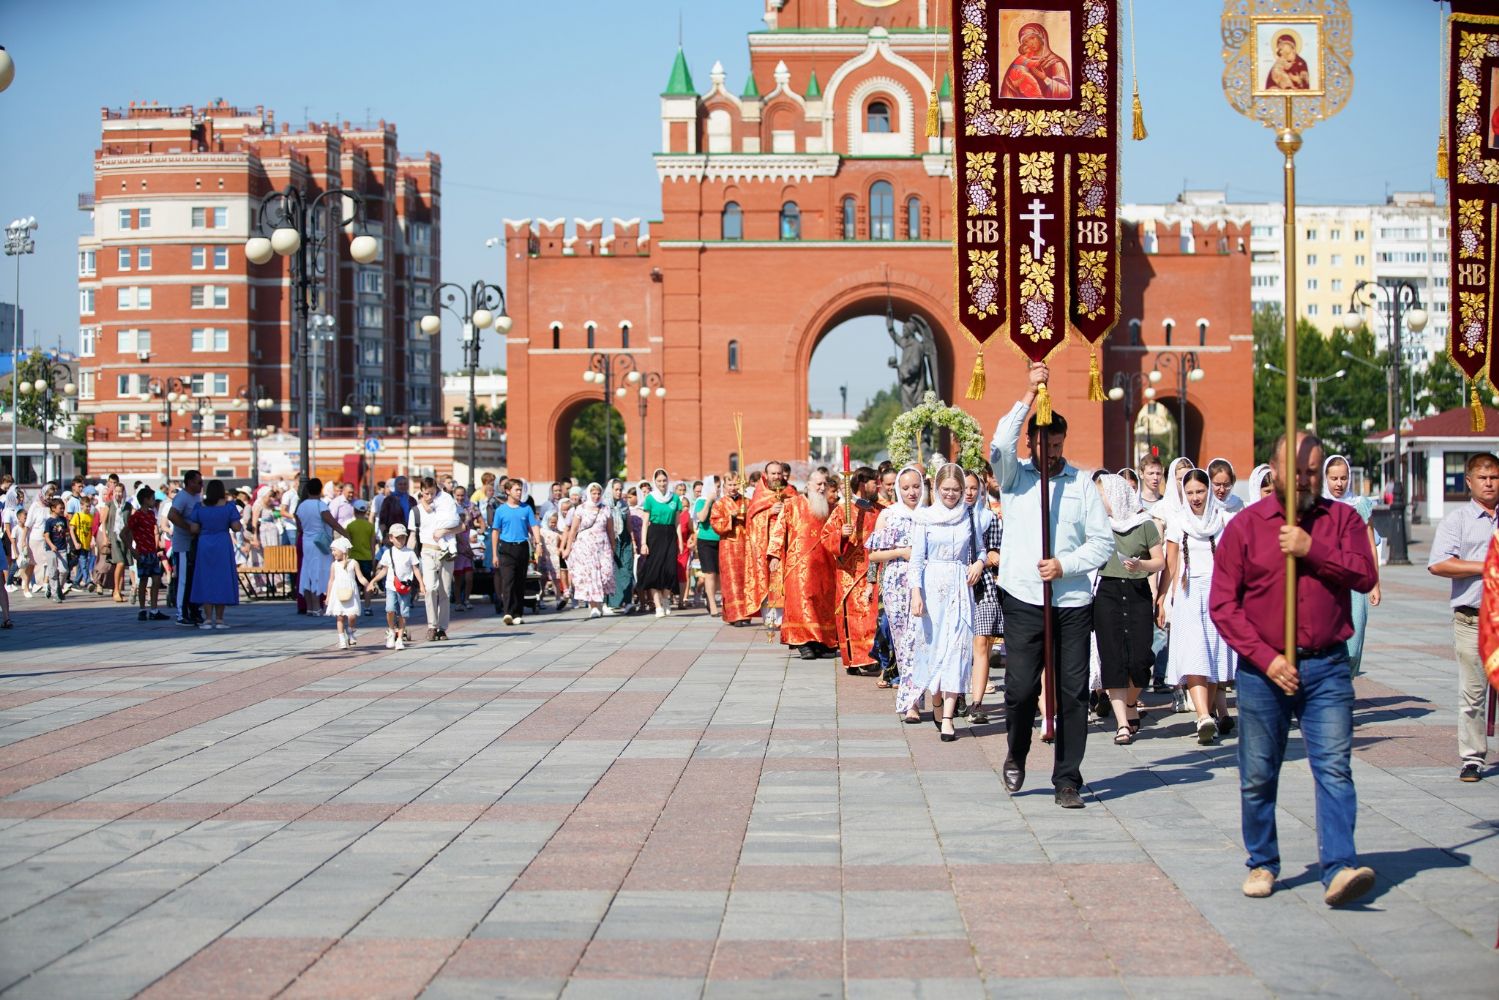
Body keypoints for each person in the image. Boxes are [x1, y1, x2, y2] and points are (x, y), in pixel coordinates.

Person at [1209, 432, 1379, 905]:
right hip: (1263, 672)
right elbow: (1223, 605)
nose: (1304, 480)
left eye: (1312, 471)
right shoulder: (1245, 527)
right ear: (1274, 469)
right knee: (1258, 772)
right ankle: (1262, 861)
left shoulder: (1342, 519)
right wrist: (1266, 658)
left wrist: (1311, 549)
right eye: (1296, 470)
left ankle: (1339, 867)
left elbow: (1364, 574)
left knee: (1334, 769)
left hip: (1327, 667)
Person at [991, 363, 1114, 809]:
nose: (1051, 454)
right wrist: (1029, 393)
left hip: (1071, 601)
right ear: (1031, 443)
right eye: (1044, 446)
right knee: (1021, 688)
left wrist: (1066, 565)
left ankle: (1067, 778)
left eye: (1058, 445)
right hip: (1024, 597)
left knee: (1072, 691)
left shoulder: (1080, 483)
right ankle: (1016, 752)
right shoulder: (1014, 477)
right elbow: (999, 443)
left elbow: (1102, 542)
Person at [1426, 451, 1499, 783]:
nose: (1489, 483)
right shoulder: (1457, 520)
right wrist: (1486, 567)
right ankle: (1472, 758)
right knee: (1473, 693)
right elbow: (1439, 563)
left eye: (1494, 477)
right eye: (1482, 478)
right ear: (1469, 481)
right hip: (1473, 619)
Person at [1159, 468, 1237, 744]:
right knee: (1194, 653)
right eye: (1190, 492)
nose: (1195, 497)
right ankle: (1203, 715)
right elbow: (1170, 564)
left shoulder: (1223, 520)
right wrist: (1162, 597)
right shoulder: (1178, 521)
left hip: (1218, 592)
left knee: (1213, 654)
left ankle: (1209, 714)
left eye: (1200, 491)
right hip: (1188, 591)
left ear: (1208, 491)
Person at [908, 464, 985, 742]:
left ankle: (950, 716)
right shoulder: (925, 518)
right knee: (933, 650)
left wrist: (978, 563)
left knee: (958, 649)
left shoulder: (970, 514)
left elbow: (981, 549)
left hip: (960, 586)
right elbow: (916, 559)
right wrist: (916, 593)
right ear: (936, 489)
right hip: (932, 587)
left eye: (956, 490)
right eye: (946, 489)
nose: (951, 494)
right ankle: (937, 699)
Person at [1093, 473, 1164, 745]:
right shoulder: (1099, 525)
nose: (1100, 501)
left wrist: (1140, 565)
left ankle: (1132, 702)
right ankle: (1122, 723)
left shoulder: (1144, 524)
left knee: (1141, 659)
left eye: (1102, 496)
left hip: (1138, 592)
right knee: (1113, 658)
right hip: (1108, 593)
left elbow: (1159, 562)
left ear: (1116, 495)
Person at [869, 466, 927, 721]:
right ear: (897, 489)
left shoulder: (930, 514)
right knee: (903, 642)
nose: (911, 492)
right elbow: (873, 554)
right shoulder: (889, 515)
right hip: (897, 582)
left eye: (915, 486)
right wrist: (901, 552)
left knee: (921, 640)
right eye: (905, 488)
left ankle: (922, 696)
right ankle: (911, 701)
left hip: (925, 582)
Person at [1322, 455, 1381, 677]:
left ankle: (1344, 679)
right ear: (1325, 479)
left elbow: (1370, 545)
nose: (1339, 483)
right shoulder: (1318, 506)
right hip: (1326, 582)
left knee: (1353, 644)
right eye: (1334, 478)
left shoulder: (1360, 505)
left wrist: (1375, 583)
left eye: (1343, 478)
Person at [772, 470, 839, 660]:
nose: (822, 488)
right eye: (818, 484)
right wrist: (775, 554)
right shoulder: (792, 504)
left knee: (822, 603)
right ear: (808, 485)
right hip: (799, 564)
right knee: (803, 601)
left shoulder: (831, 508)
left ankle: (821, 641)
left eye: (825, 484)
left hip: (825, 564)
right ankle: (803, 642)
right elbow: (779, 530)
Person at [823, 467, 881, 674]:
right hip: (851, 571)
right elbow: (825, 537)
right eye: (875, 482)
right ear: (862, 484)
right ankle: (855, 659)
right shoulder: (842, 510)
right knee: (855, 615)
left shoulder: (881, 510)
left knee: (872, 615)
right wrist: (841, 534)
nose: (878, 486)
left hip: (875, 569)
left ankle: (872, 656)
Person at [964, 469, 1005, 724]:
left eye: (974, 488)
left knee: (981, 642)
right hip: (955, 585)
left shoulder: (990, 519)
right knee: (957, 644)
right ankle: (955, 694)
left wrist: (985, 562)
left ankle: (977, 702)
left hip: (984, 586)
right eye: (965, 488)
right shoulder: (948, 519)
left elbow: (997, 554)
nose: (969, 493)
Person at [745, 462, 796, 629]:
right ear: (766, 475)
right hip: (765, 544)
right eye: (773, 473)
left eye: (779, 473)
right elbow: (751, 520)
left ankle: (786, 616)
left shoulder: (790, 492)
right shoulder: (760, 494)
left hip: (786, 543)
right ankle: (771, 616)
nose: (776, 477)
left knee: (785, 578)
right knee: (768, 577)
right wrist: (769, 512)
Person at [187, 479, 242, 629]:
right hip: (222, 543)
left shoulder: (200, 507)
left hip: (204, 543)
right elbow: (236, 527)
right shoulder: (229, 506)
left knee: (205, 578)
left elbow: (193, 529)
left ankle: (207, 619)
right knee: (221, 579)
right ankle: (219, 619)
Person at [410, 477, 460, 642]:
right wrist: (407, 556)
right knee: (430, 588)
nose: (430, 497)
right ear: (421, 491)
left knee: (445, 591)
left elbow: (461, 526)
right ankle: (432, 625)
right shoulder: (416, 511)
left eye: (432, 493)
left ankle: (442, 628)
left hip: (446, 553)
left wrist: (444, 531)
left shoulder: (444, 504)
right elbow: (413, 536)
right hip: (428, 551)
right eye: (426, 494)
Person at [562, 482, 617, 619]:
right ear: (588, 494)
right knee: (591, 575)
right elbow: (573, 530)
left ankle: (600, 603)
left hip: (603, 546)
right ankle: (594, 606)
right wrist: (568, 548)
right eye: (593, 493)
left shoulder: (605, 509)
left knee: (605, 574)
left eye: (598, 493)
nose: (596, 496)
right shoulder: (581, 509)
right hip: (586, 546)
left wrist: (613, 546)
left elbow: (610, 530)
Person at [491, 478, 541, 625]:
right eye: (516, 490)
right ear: (508, 491)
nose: (519, 492)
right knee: (508, 581)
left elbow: (534, 526)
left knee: (520, 581)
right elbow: (495, 531)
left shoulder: (526, 508)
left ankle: (518, 613)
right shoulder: (500, 510)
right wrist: (494, 554)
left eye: (520, 490)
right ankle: (508, 612)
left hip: (522, 547)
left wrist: (538, 543)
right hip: (506, 548)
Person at [296, 477, 349, 615]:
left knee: (306, 573)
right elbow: (333, 523)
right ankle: (317, 607)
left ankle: (309, 607)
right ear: (320, 490)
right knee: (318, 572)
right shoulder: (321, 505)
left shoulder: (301, 506)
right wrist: (346, 535)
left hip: (306, 541)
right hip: (319, 543)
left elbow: (299, 526)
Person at [367, 522, 423, 651]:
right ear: (391, 538)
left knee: (403, 612)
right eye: (398, 538)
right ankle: (391, 630)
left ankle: (399, 638)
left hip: (404, 587)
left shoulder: (410, 553)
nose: (401, 540)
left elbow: (415, 569)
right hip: (391, 586)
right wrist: (373, 580)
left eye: (403, 537)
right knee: (390, 609)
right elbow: (384, 570)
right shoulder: (388, 553)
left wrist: (421, 584)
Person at [637, 469, 684, 618]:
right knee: (654, 570)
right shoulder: (650, 498)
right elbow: (645, 523)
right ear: (655, 482)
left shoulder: (675, 498)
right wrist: (643, 543)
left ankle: (665, 599)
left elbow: (677, 523)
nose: (662, 483)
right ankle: (658, 606)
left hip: (670, 534)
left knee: (670, 570)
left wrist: (680, 541)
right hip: (654, 535)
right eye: (659, 481)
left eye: (664, 480)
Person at [711, 475, 754, 626]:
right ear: (724, 486)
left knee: (745, 580)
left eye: (735, 484)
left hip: (745, 545)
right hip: (728, 546)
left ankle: (746, 613)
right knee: (731, 580)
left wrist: (747, 517)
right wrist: (731, 516)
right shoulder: (719, 504)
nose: (733, 487)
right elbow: (716, 524)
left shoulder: (747, 502)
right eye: (730, 484)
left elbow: (755, 521)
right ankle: (734, 615)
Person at [168, 471, 205, 624]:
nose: (201, 485)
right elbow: (172, 515)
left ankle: (194, 610)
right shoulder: (182, 497)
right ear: (190, 482)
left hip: (195, 545)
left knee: (194, 580)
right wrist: (188, 528)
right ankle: (181, 613)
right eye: (199, 482)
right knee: (183, 580)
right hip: (183, 545)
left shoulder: (197, 497)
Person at [127, 486, 168, 621]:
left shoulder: (151, 514)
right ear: (145, 500)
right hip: (142, 553)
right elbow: (124, 533)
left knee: (156, 580)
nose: (154, 501)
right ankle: (142, 609)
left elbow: (155, 530)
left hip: (152, 552)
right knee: (143, 581)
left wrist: (157, 545)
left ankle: (154, 610)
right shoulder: (136, 516)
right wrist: (132, 549)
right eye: (152, 499)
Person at [1001, 21, 1072, 100]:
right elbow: (1007, 91)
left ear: (1042, 38)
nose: (1030, 43)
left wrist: (1045, 78)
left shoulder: (1055, 62)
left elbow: (1066, 92)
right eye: (1026, 41)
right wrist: (1014, 84)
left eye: (1032, 38)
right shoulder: (1020, 62)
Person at [324, 536, 369, 649]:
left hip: (351, 592)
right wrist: (328, 596)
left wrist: (368, 584)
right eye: (332, 550)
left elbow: (360, 577)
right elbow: (331, 580)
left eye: (334, 550)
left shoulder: (353, 563)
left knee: (352, 615)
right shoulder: (334, 565)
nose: (333, 553)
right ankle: (341, 640)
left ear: (343, 550)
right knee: (339, 616)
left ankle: (350, 631)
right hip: (338, 592)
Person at [605, 479, 636, 613]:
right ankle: (609, 603)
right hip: (611, 541)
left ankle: (628, 602)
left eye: (620, 489)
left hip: (625, 541)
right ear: (610, 490)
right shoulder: (605, 505)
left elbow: (628, 524)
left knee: (627, 570)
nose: (619, 492)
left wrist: (633, 541)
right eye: (616, 489)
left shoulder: (624, 505)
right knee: (611, 572)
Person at [693, 477, 722, 617]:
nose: (717, 489)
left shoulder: (722, 501)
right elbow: (702, 518)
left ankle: (709, 594)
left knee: (719, 575)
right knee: (710, 573)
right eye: (715, 486)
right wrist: (709, 501)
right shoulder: (701, 501)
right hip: (705, 541)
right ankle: (712, 604)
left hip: (721, 540)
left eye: (719, 486)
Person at [346, 500, 376, 616]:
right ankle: (367, 607)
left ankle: (352, 606)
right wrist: (373, 560)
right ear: (365, 512)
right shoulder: (370, 526)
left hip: (353, 558)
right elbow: (373, 545)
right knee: (366, 583)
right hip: (367, 558)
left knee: (353, 583)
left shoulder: (350, 526)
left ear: (354, 511)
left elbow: (348, 544)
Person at [40, 498, 71, 602]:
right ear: (53, 508)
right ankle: (55, 594)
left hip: (62, 549)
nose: (62, 510)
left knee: (64, 571)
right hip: (51, 550)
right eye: (60, 508)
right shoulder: (49, 521)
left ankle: (58, 588)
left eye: (63, 508)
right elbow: (46, 535)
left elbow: (67, 531)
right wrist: (52, 545)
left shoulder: (63, 519)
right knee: (53, 572)